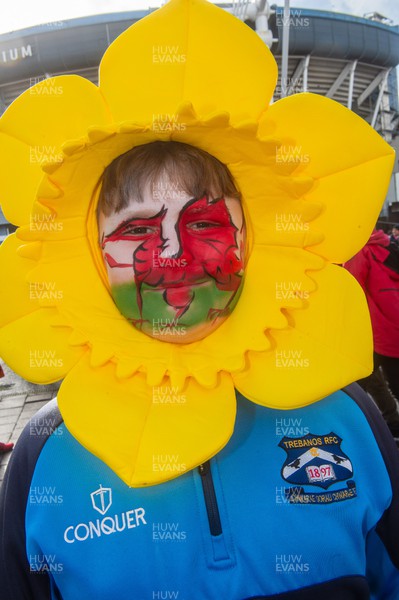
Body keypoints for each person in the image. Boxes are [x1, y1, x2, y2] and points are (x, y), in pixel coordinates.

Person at [0, 0, 398, 598]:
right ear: (87, 258)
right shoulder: (43, 459)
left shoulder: (351, 421)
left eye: (206, 225)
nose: (172, 256)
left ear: (254, 236)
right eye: (135, 231)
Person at [344, 229, 399, 436]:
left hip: (375, 331)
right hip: (391, 326)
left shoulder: (361, 251)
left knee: (358, 382)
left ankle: (353, 430)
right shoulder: (387, 245)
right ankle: (391, 422)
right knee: (379, 380)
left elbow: (351, 289)